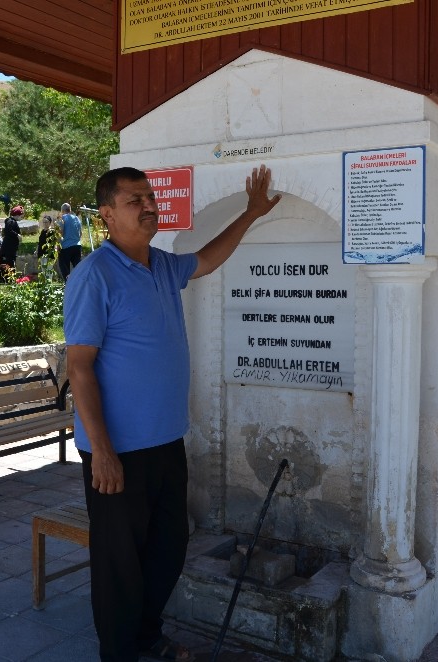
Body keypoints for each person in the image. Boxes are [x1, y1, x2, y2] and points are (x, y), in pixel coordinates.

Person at [63, 165, 280, 662]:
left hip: (165, 443)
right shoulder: (93, 275)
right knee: (119, 566)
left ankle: (146, 636)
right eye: (134, 199)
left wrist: (250, 213)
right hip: (117, 451)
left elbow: (207, 259)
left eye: (150, 196)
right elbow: (80, 369)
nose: (148, 205)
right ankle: (119, 652)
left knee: (167, 551)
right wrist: (102, 452)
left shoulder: (162, 265)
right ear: (107, 215)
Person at [58, 202, 82, 280]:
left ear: (62, 210)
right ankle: (79, 285)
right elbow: (80, 233)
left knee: (65, 269)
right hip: (77, 246)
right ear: (70, 210)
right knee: (78, 269)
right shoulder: (76, 218)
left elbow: (61, 232)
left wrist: (58, 245)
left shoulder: (62, 218)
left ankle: (68, 286)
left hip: (65, 247)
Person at [1, 205, 23, 269]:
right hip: (9, 249)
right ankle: (9, 278)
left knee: (11, 264)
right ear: (17, 215)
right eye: (20, 216)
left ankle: (10, 278)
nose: (21, 217)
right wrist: (17, 235)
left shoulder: (11, 221)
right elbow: (8, 230)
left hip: (10, 249)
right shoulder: (11, 221)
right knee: (10, 265)